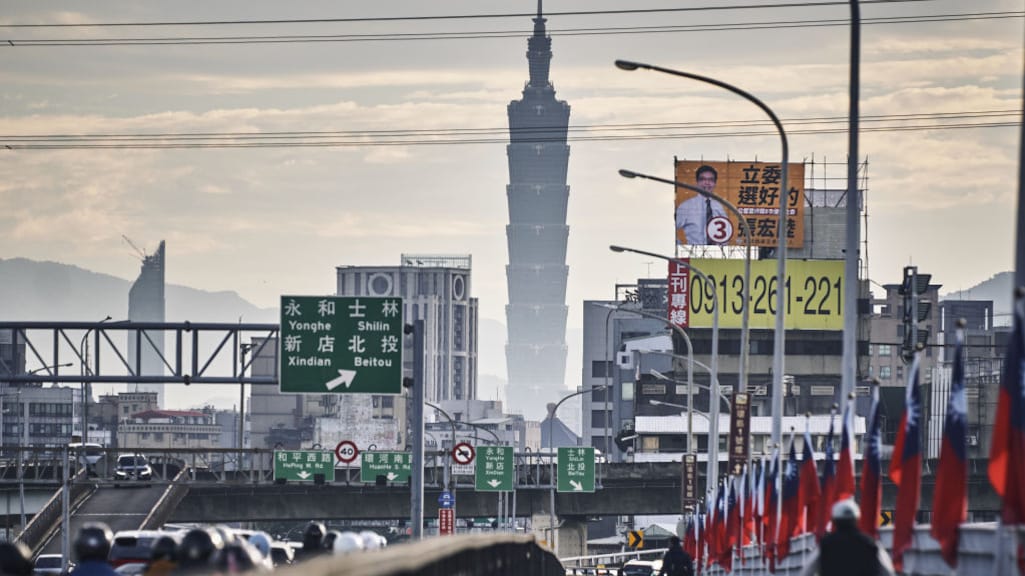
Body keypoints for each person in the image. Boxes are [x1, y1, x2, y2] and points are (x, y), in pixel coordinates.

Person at [799, 500, 896, 576]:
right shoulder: (870, 543)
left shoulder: (826, 544)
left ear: (835, 519)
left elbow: (807, 571)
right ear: (856, 519)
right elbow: (887, 571)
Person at [675, 164, 729, 245]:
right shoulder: (686, 206)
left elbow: (726, 232)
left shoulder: (719, 206)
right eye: (703, 179)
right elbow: (670, 228)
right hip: (694, 253)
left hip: (717, 254)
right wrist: (679, 245)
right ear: (697, 182)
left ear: (715, 184)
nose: (707, 183)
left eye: (711, 180)